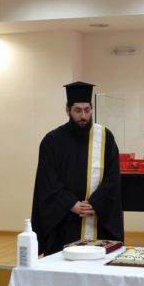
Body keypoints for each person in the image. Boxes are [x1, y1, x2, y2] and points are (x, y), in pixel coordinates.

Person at [31, 81, 123, 256]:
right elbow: (48, 180)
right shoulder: (52, 141)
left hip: (97, 215)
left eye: (87, 110)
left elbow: (113, 177)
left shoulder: (105, 137)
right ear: (68, 110)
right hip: (65, 217)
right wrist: (70, 203)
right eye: (78, 111)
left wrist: (95, 202)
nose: (83, 116)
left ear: (92, 108)